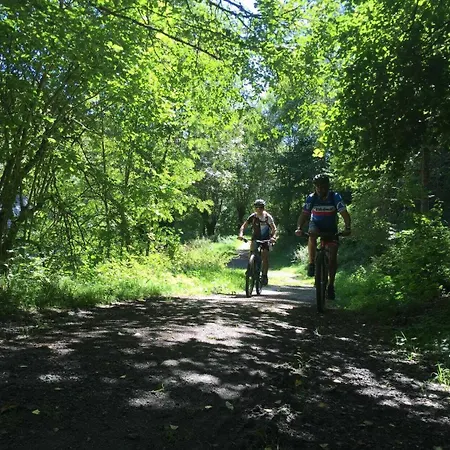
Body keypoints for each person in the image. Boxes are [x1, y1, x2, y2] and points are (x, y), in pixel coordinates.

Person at [295, 174, 351, 300]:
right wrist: (299, 228)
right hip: (316, 224)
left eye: (323, 186)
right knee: (312, 235)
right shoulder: (311, 198)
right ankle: (312, 263)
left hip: (331, 227)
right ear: (315, 187)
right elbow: (304, 215)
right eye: (318, 186)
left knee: (332, 257)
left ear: (328, 186)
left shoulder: (335, 197)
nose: (320, 189)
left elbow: (344, 213)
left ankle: (331, 285)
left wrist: (347, 228)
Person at [238, 199, 277, 286]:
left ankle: (264, 275)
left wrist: (273, 237)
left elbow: (274, 229)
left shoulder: (268, 217)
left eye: (261, 207)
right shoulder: (253, 216)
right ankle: (250, 268)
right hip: (255, 238)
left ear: (263, 208)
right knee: (252, 251)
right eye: (257, 207)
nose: (259, 209)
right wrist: (241, 234)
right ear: (255, 208)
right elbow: (243, 226)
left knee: (264, 255)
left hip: (266, 239)